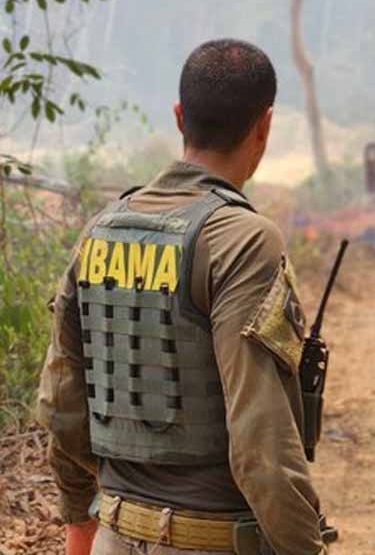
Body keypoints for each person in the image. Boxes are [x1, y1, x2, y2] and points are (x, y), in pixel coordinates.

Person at [36, 39, 327, 555]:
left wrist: (80, 523)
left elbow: (61, 401)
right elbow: (261, 443)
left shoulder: (101, 230)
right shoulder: (241, 239)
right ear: (264, 125)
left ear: (178, 116)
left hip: (115, 534)